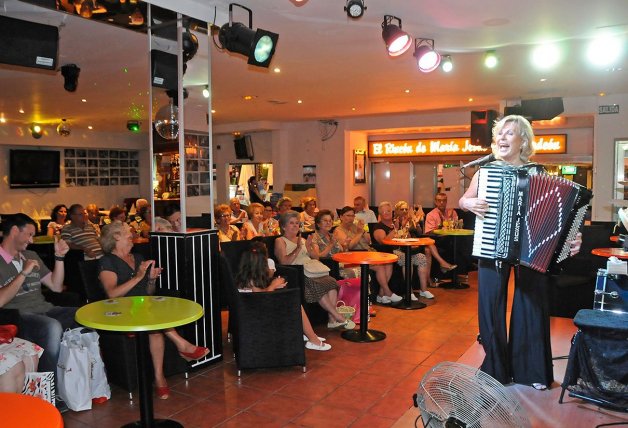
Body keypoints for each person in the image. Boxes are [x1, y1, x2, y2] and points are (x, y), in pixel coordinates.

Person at [459, 114, 582, 390]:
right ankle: (495, 369)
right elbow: (464, 199)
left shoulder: (540, 174)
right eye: (499, 134)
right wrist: (468, 203)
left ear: (523, 140)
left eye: (509, 133)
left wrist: (573, 237)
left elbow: (560, 215)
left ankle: (531, 371)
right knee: (491, 304)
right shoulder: (485, 173)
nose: (502, 138)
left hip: (531, 250)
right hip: (493, 244)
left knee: (531, 302)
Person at [98, 221, 209, 399]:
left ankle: (160, 377)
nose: (132, 233)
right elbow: (112, 294)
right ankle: (181, 348)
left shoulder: (138, 257)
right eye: (128, 231)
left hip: (144, 307)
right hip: (122, 311)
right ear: (116, 236)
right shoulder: (107, 262)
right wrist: (139, 276)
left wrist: (151, 279)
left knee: (155, 325)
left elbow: (148, 292)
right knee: (155, 323)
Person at [0, 214, 75, 390]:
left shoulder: (31, 255)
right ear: (14, 231)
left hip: (44, 309)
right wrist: (23, 273)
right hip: (17, 315)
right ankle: (49, 390)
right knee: (52, 327)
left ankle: (77, 384)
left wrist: (59, 258)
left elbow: (56, 286)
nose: (32, 240)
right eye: (30, 234)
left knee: (82, 316)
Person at [234, 241, 331, 351]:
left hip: (251, 309)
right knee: (295, 305)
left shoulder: (246, 275)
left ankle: (307, 334)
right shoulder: (251, 278)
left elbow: (257, 294)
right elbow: (261, 298)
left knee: (293, 301)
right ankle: (313, 339)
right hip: (255, 315)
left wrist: (274, 286)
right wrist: (273, 285)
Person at [274, 211, 355, 330]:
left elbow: (316, 257)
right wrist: (297, 248)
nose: (295, 225)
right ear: (283, 226)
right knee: (317, 286)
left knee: (332, 283)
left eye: (297, 223)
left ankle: (332, 320)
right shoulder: (280, 241)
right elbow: (284, 262)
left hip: (312, 269)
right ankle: (339, 317)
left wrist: (308, 247)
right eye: (291, 223)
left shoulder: (302, 239)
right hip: (298, 273)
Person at [334, 206, 399, 300]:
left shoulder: (355, 226)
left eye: (353, 216)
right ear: (341, 217)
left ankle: (381, 294)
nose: (351, 218)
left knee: (388, 263)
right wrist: (359, 233)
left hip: (367, 252)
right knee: (380, 267)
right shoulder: (338, 230)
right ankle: (388, 293)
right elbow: (350, 246)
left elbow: (369, 241)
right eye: (348, 215)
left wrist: (363, 230)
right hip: (353, 257)